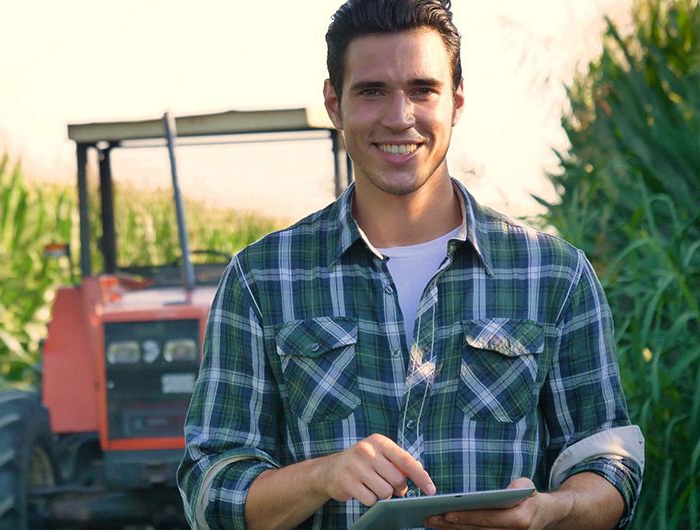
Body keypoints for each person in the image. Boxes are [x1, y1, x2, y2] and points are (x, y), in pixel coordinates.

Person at [176, 1, 645, 529]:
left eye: (423, 90)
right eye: (372, 91)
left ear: (457, 101)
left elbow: (607, 462)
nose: (400, 117)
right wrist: (320, 476)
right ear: (335, 104)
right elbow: (210, 488)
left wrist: (551, 512)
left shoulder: (554, 275)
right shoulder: (261, 279)